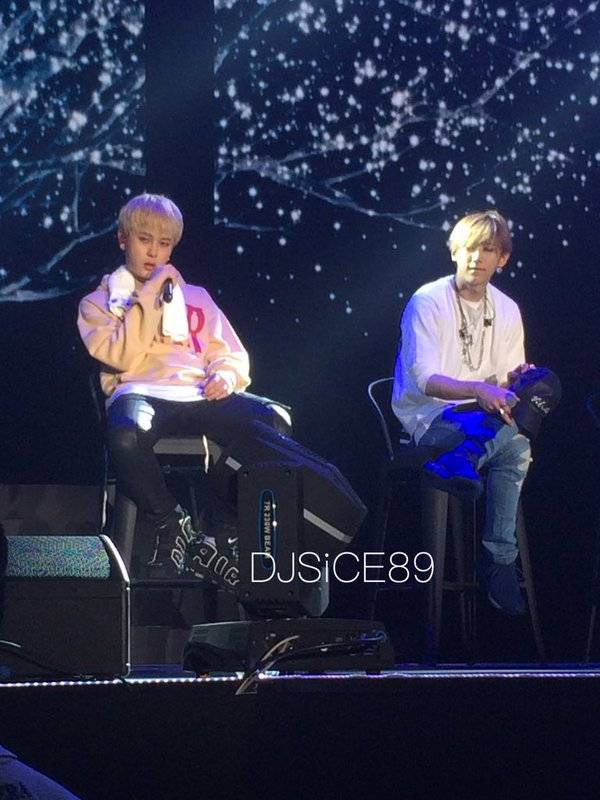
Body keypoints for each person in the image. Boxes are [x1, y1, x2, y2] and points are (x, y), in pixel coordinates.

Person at [78, 193, 282, 588]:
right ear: (123, 239)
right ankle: (170, 523)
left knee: (271, 421)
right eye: (144, 240)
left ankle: (222, 531)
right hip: (139, 391)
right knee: (125, 435)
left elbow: (230, 353)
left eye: (164, 243)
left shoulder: (196, 298)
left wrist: (225, 374)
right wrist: (150, 298)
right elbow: (121, 356)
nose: (154, 252)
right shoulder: (99, 303)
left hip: (196, 393)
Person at [392, 209, 552, 615]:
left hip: (484, 417)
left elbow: (506, 386)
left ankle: (461, 460)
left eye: (488, 249)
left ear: (502, 258)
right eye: (468, 248)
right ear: (453, 252)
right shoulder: (427, 301)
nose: (476, 257)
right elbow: (425, 380)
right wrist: (478, 389)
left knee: (543, 390)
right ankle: (500, 560)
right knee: (515, 447)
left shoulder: (507, 309)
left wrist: (520, 381)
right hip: (430, 416)